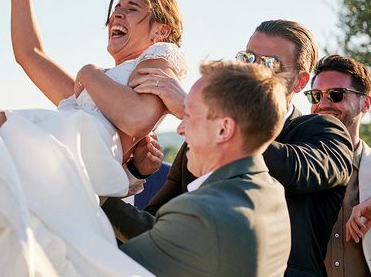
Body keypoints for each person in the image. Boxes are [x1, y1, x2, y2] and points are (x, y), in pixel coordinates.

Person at [104, 19, 354, 277]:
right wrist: (95, 198)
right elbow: (158, 227)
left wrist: (208, 115)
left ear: (300, 82)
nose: (252, 68)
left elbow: (296, 170)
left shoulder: (324, 131)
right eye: (247, 57)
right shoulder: (198, 146)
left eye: (269, 63)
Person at [0, 0, 187, 191]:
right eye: (116, 8)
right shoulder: (93, 89)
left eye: (132, 9)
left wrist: (88, 72)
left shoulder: (161, 56)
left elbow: (136, 118)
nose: (116, 15)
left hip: (65, 161)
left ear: (161, 31)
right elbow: (29, 54)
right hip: (59, 146)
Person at [121, 60, 292, 276]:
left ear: (224, 129)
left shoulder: (202, 211)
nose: (180, 128)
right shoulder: (271, 191)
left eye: (189, 116)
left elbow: (104, 267)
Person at [305, 55, 371, 276]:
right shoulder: (295, 165)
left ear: (366, 103)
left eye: (336, 94)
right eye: (316, 95)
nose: (323, 104)